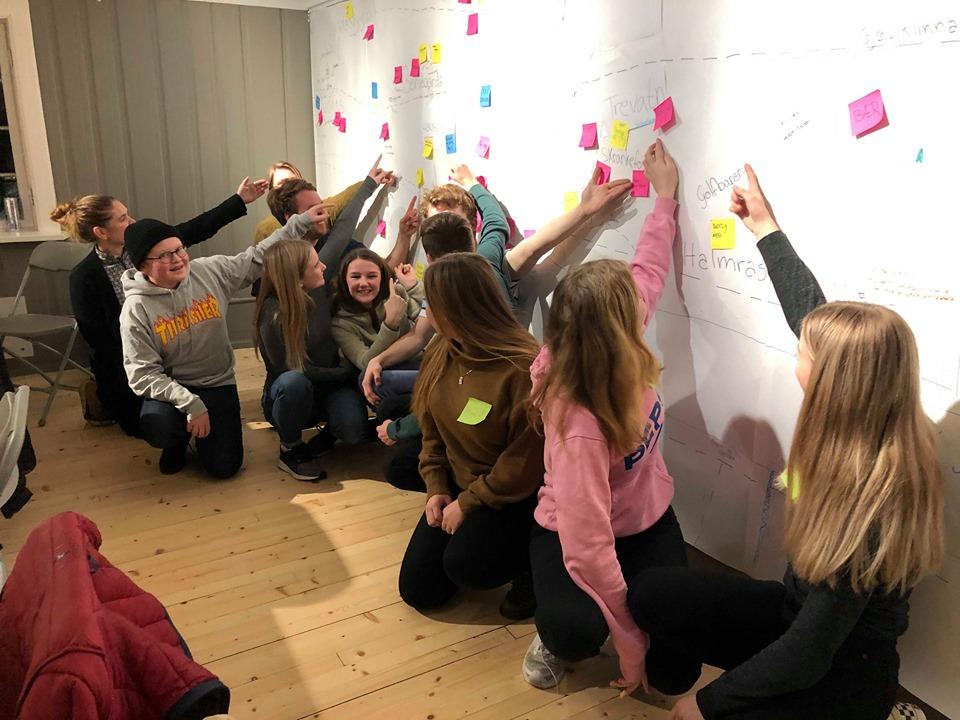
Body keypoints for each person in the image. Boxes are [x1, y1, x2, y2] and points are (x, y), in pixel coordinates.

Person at [628, 165, 944, 720]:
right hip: (796, 619)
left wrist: (705, 704)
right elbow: (812, 313)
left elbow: (808, 654)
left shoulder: (866, 502)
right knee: (653, 593)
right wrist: (765, 228)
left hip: (844, 672)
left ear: (832, 381)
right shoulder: (877, 414)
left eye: (804, 352)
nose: (797, 348)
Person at [519, 141, 688, 698]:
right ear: (614, 330)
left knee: (677, 672)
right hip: (575, 531)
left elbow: (649, 269)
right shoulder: (579, 422)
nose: (641, 305)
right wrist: (630, 640)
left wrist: (665, 199)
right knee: (576, 630)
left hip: (643, 519)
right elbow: (588, 546)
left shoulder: (612, 337)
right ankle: (554, 630)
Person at [120, 204, 326, 477]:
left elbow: (257, 257)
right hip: (175, 386)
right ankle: (176, 440)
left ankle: (199, 431)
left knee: (224, 468)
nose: (178, 259)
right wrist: (190, 403)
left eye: (179, 249)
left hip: (217, 382)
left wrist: (300, 223)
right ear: (143, 265)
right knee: (159, 424)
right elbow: (141, 373)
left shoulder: (210, 271)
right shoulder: (136, 308)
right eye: (164, 255)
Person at [55, 178, 267, 436]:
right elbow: (101, 343)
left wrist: (239, 200)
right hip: (137, 362)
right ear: (101, 232)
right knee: (152, 428)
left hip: (181, 352)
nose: (132, 221)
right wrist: (149, 359)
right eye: (122, 219)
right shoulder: (84, 277)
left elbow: (198, 227)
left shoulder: (155, 247)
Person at [397, 253, 544, 621]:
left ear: (456, 310)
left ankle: (532, 567)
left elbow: (523, 464)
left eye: (430, 303)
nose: (426, 311)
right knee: (419, 590)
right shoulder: (443, 350)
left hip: (513, 494)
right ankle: (476, 542)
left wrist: (468, 503)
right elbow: (431, 429)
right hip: (462, 479)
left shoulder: (523, 368)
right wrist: (436, 487)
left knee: (467, 566)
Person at [254, 239, 369, 481]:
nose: (324, 267)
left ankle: (330, 432)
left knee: (352, 431)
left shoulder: (315, 286)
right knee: (293, 382)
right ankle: (290, 447)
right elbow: (294, 371)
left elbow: (342, 234)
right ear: (297, 278)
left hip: (330, 386)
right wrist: (345, 371)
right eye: (316, 265)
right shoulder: (272, 315)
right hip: (295, 392)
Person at [330, 249, 424, 395]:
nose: (363, 283)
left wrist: (413, 286)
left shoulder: (396, 293)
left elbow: (425, 318)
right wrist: (390, 324)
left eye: (371, 276)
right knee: (372, 380)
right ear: (344, 280)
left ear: (382, 277)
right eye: (355, 276)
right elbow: (364, 362)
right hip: (385, 373)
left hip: (420, 361)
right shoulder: (340, 323)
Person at [252, 160, 364, 245]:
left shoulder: (324, 209)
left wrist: (370, 181)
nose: (289, 187)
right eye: (282, 183)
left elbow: (345, 197)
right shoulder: (265, 229)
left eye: (294, 181)